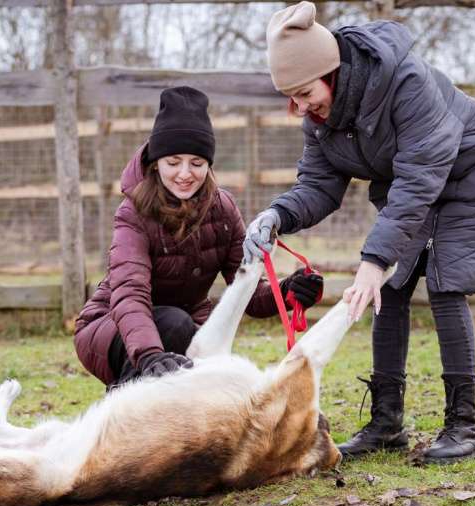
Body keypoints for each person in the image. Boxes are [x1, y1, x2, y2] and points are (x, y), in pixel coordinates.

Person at [243, 2, 475, 464]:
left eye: (304, 91)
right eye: (289, 97)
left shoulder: (403, 81)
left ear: (331, 71)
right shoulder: (321, 119)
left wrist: (373, 261)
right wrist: (278, 215)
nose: (299, 108)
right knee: (389, 289)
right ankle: (386, 423)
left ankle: (463, 427)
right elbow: (318, 184)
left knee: (446, 282)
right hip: (415, 183)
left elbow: (418, 179)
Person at [74, 86, 323, 388]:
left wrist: (287, 292)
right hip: (111, 327)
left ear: (208, 164)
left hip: (186, 328)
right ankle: (119, 409)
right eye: (173, 162)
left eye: (196, 163)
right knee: (176, 326)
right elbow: (130, 293)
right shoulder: (133, 213)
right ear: (155, 163)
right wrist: (150, 355)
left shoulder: (223, 209)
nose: (184, 174)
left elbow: (245, 293)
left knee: (202, 366)